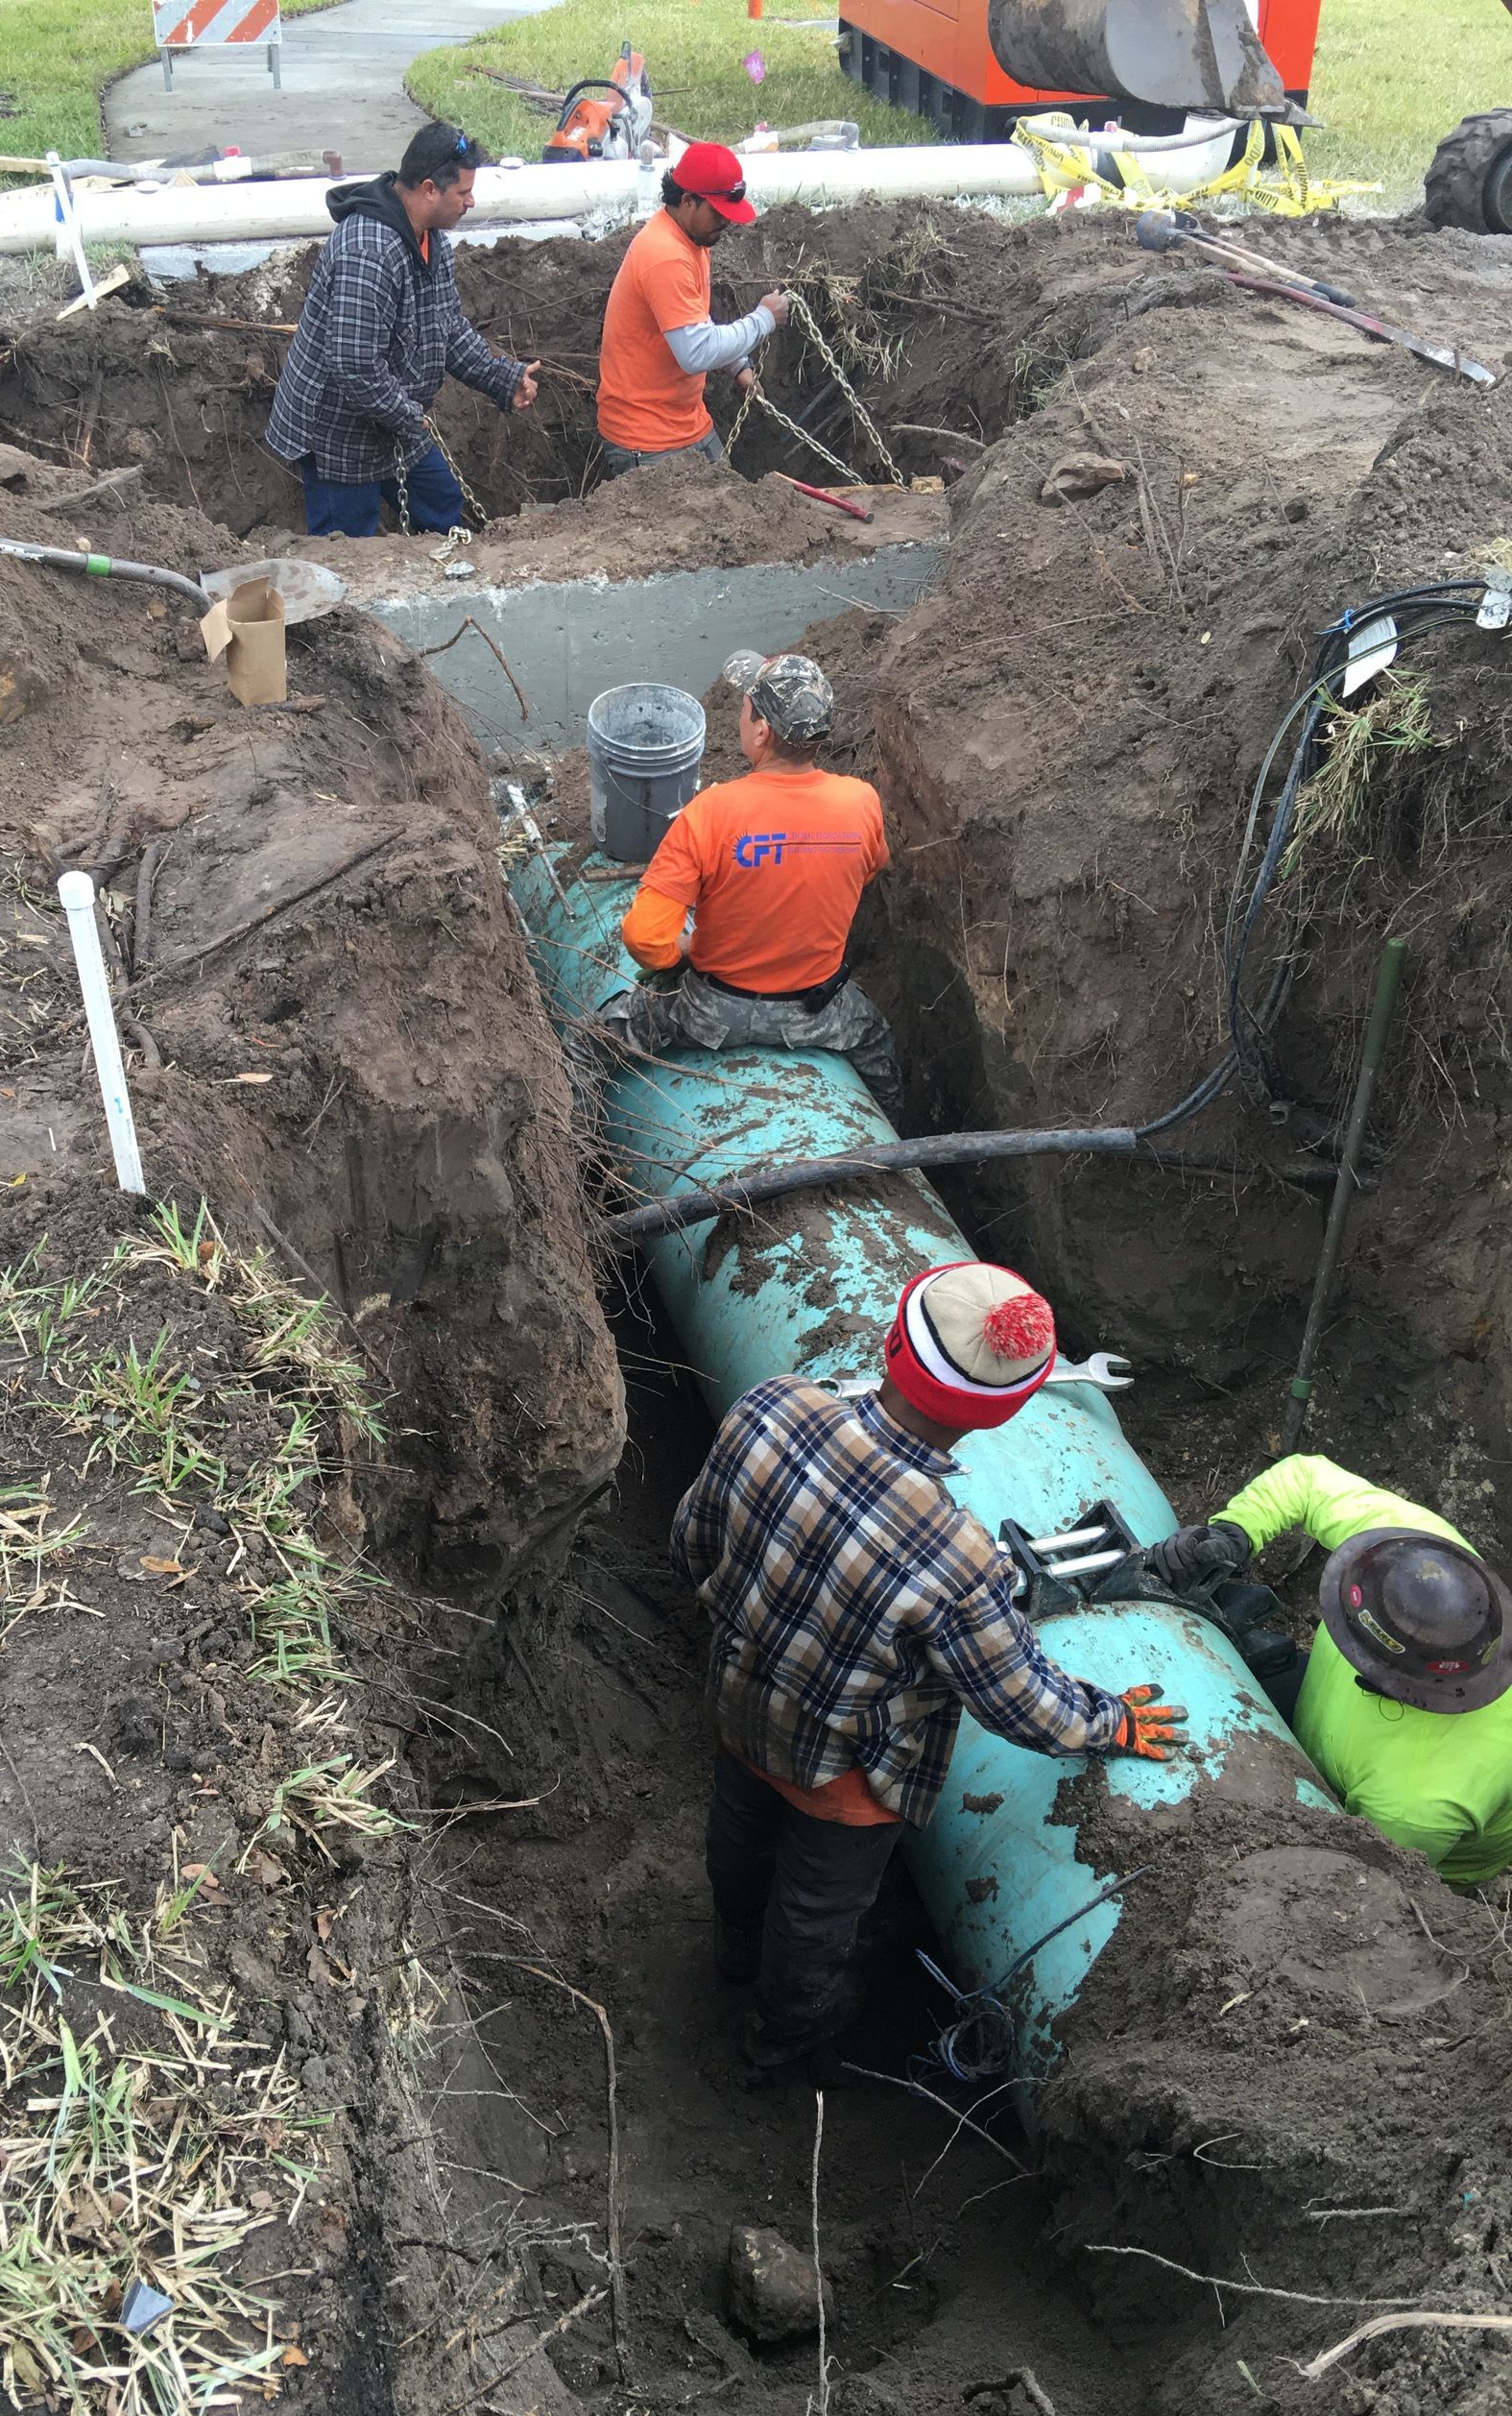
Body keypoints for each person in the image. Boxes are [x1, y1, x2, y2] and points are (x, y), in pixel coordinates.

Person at [672, 1260, 1188, 2070]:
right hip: (847, 1777)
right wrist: (1112, 1720)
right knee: (814, 1913)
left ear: (891, 1343)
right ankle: (781, 2039)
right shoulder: (959, 1562)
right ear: (1004, 1410)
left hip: (740, 1707)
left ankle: (731, 1949)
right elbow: (1021, 1704)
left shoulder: (768, 1407)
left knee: (737, 1837)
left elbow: (691, 1543)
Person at [1149, 1456, 1512, 1888]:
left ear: (1388, 1681)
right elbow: (1307, 1479)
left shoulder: (1413, 1801)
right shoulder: (1422, 1560)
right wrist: (1235, 1533)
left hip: (1366, 1814)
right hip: (1331, 1720)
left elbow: (1361, 1881)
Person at [612, 649, 903, 1118]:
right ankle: (896, 1143)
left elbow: (644, 937)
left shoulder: (711, 812)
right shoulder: (861, 803)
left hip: (712, 1012)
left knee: (589, 1043)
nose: (740, 716)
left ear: (762, 731)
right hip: (818, 1011)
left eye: (745, 706)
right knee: (878, 1044)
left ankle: (569, 1148)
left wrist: (680, 953)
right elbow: (867, 870)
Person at [264, 121, 540, 539]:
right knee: (348, 544)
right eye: (463, 192)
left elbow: (447, 328)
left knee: (441, 503)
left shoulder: (430, 239)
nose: (471, 201)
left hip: (392, 415)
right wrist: (407, 415)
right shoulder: (369, 252)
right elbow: (354, 365)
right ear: (429, 189)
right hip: (338, 430)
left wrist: (502, 378)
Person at [596, 141, 787, 477]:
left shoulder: (693, 239)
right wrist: (763, 319)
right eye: (717, 212)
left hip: (686, 422)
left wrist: (738, 365)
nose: (725, 221)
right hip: (647, 439)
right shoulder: (666, 255)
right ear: (687, 201)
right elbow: (695, 352)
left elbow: (693, 321)